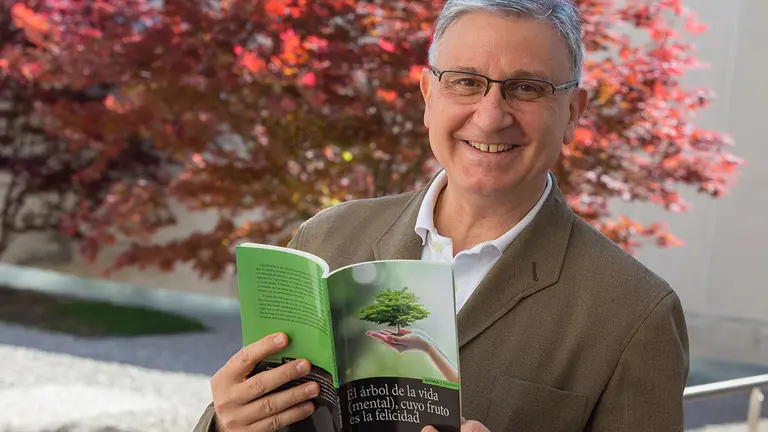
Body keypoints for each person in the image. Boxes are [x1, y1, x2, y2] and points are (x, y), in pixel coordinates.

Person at [193, 0, 689, 431]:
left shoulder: (634, 314)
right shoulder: (326, 237)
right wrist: (227, 423)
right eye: (466, 82)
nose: (492, 115)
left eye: (527, 88)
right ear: (428, 96)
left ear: (574, 114)